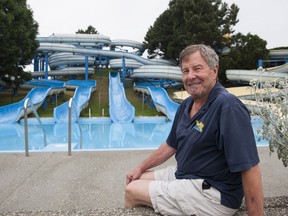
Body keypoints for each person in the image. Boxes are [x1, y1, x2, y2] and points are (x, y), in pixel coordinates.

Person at [125, 44, 264, 216]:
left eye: (197, 68)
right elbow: (170, 145)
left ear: (214, 71)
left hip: (213, 192)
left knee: (132, 190)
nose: (191, 76)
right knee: (136, 178)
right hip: (186, 174)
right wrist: (139, 167)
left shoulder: (227, 106)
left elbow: (250, 167)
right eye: (185, 71)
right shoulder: (187, 104)